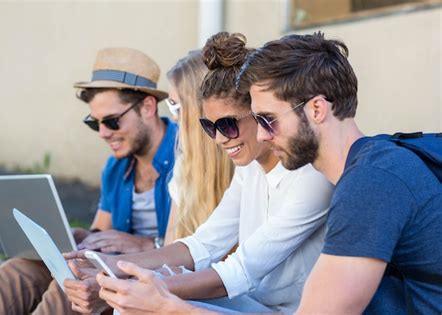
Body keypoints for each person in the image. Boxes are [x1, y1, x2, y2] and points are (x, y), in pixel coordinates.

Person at [64, 32, 334, 314]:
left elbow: (240, 270)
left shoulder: (311, 177)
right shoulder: (251, 168)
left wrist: (131, 283)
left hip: (290, 310)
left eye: (228, 125)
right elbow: (202, 245)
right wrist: (108, 266)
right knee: (132, 304)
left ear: (257, 112)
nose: (219, 139)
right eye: (209, 126)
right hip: (253, 301)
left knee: (141, 302)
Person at [237, 32, 442, 314]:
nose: (261, 135)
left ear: (317, 109)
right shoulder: (379, 159)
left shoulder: (372, 181)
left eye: (267, 120)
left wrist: (172, 308)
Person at [0, 47, 177, 315]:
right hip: (114, 265)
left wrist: (148, 244)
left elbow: (206, 243)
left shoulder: (188, 155)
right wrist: (79, 239)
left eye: (112, 121)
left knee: (73, 283)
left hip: (158, 273)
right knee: (19, 268)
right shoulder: (116, 166)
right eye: (95, 123)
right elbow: (101, 230)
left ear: (148, 106)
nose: (102, 133)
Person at [164, 50, 234, 244]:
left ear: (199, 108)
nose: (173, 117)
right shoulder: (186, 164)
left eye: (175, 105)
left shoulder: (248, 165)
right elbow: (171, 244)